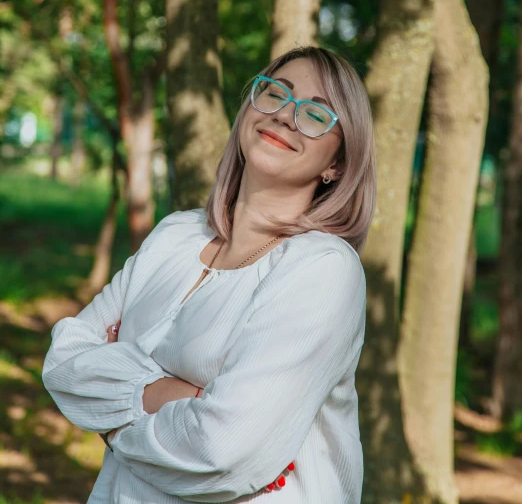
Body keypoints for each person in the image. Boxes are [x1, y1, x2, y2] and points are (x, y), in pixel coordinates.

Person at [42, 45, 376, 503]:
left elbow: (221, 451)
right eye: (276, 93)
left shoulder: (322, 270)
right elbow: (64, 362)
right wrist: (176, 397)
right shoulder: (175, 235)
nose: (285, 114)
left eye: (317, 115)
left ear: (337, 165)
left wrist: (112, 416)